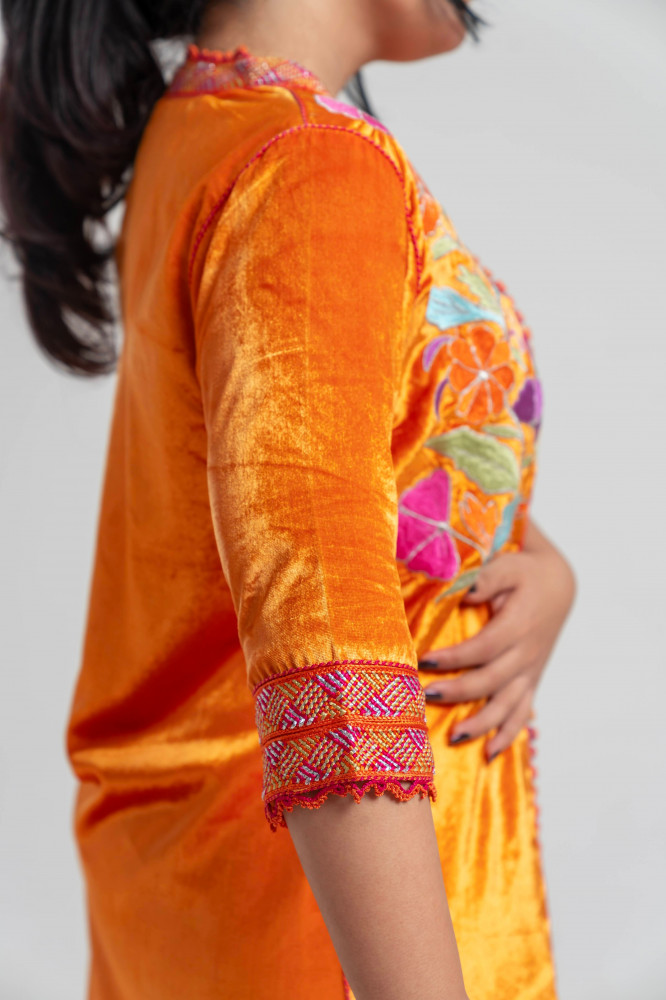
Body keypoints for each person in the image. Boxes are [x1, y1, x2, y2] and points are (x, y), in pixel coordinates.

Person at [0, 1, 577, 998]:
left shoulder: (202, 129)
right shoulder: (307, 165)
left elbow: (293, 486)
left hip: (208, 903)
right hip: (327, 937)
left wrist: (543, 563)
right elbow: (325, 637)